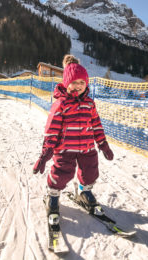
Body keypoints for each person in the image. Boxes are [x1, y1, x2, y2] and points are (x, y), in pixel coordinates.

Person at [33, 55, 114, 219]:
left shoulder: (90, 104)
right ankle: (52, 195)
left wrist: (103, 144)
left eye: (81, 83)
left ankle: (84, 192)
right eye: (74, 83)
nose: (78, 86)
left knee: (90, 172)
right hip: (64, 149)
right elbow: (52, 130)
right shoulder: (61, 104)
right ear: (66, 83)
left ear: (86, 84)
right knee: (61, 175)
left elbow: (97, 125)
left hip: (87, 148)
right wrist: (46, 152)